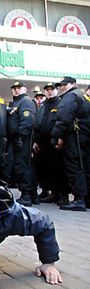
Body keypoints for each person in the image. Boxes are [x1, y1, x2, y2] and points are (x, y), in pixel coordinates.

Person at [51, 77, 90, 211]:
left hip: (75, 137)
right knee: (84, 166)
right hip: (84, 137)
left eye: (64, 84)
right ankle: (86, 198)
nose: (61, 87)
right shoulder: (84, 96)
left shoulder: (72, 96)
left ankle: (79, 199)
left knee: (75, 167)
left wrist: (56, 136)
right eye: (60, 85)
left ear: (73, 84)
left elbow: (63, 117)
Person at [32, 83, 69, 205]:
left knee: (59, 168)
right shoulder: (43, 105)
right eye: (47, 90)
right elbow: (38, 123)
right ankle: (51, 192)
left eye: (51, 89)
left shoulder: (60, 103)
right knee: (45, 168)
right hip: (43, 142)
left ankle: (63, 195)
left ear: (56, 90)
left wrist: (60, 138)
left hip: (54, 141)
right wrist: (35, 141)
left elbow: (63, 122)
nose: (49, 92)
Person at [6, 82, 37, 206]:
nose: (16, 90)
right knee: (22, 167)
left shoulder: (25, 101)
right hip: (17, 140)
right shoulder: (16, 103)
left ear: (24, 89)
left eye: (18, 88)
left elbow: (28, 121)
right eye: (14, 88)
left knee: (23, 167)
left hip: (23, 140)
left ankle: (27, 195)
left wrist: (19, 136)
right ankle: (32, 195)